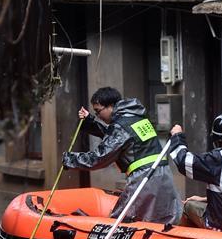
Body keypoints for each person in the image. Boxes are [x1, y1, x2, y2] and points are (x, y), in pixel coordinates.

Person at [63, 87, 182, 224]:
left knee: (120, 221)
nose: (98, 116)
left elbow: (99, 158)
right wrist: (90, 121)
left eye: (98, 111)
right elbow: (116, 139)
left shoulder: (120, 126)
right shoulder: (135, 117)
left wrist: (69, 159)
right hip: (162, 174)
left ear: (111, 106)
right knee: (164, 220)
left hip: (144, 179)